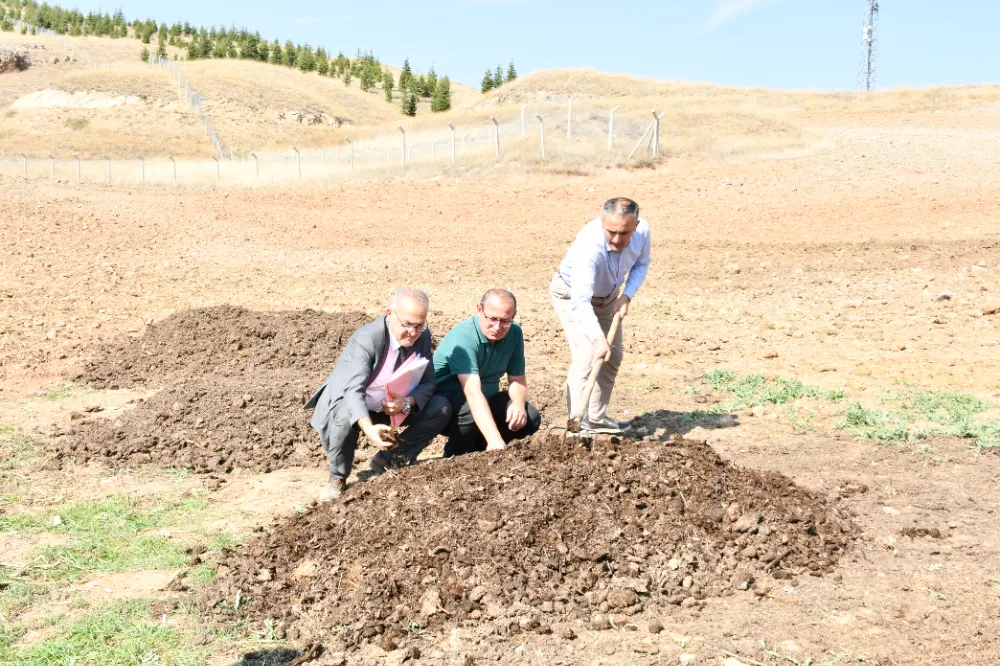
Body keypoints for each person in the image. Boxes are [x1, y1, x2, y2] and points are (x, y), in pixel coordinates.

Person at [305, 287, 451, 501]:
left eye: (420, 325)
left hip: (391, 406)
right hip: (352, 404)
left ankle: (392, 458)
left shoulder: (422, 336)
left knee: (441, 407)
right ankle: (337, 478)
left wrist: (408, 402)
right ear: (390, 314)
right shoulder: (366, 340)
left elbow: (429, 381)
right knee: (345, 413)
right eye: (407, 324)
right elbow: (353, 392)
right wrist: (370, 431)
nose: (413, 332)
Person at [550, 197, 651, 434]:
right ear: (601, 222)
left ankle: (596, 418)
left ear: (635, 226)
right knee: (587, 356)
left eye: (624, 233)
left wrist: (626, 296)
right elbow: (580, 302)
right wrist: (597, 339)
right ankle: (578, 425)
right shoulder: (589, 245)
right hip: (571, 295)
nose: (616, 239)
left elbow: (641, 265)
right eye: (611, 232)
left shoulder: (643, 231)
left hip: (609, 297)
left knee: (612, 356)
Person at [433, 288, 542, 456]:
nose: (497, 327)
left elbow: (517, 379)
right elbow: (473, 393)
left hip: (485, 399)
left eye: (505, 320)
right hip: (448, 407)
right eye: (492, 319)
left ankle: (482, 452)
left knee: (529, 417)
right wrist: (494, 439)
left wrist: (518, 404)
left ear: (514, 315)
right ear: (479, 310)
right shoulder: (464, 337)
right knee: (469, 409)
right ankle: (456, 456)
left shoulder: (514, 333)